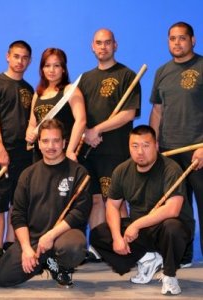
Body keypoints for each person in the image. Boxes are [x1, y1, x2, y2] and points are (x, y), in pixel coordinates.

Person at [90, 125, 193, 295]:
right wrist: (117, 237)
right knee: (98, 234)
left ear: (156, 146)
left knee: (173, 228)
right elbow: (112, 206)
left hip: (164, 229)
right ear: (129, 147)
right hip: (140, 232)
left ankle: (169, 275)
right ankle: (147, 259)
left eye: (146, 145)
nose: (140, 152)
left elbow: (172, 209)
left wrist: (137, 224)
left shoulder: (170, 168)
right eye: (135, 146)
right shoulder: (122, 170)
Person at [0, 119, 91, 288]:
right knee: (2, 277)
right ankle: (46, 261)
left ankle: (62, 266)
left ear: (64, 142)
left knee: (74, 247)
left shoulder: (78, 172)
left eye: (56, 140)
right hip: (34, 238)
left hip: (63, 236)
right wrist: (26, 248)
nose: (50, 146)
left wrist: (51, 236)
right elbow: (18, 215)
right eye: (45, 141)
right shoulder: (28, 174)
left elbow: (79, 213)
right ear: (38, 143)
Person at [78, 28, 141, 260]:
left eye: (107, 42)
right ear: (92, 46)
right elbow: (79, 115)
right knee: (94, 200)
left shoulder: (127, 75)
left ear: (115, 45)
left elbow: (129, 113)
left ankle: (125, 246)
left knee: (115, 200)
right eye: (98, 43)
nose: (103, 47)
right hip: (89, 153)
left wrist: (98, 129)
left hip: (115, 151)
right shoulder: (85, 79)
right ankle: (96, 247)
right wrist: (85, 132)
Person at [149, 21, 203, 266]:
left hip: (197, 149)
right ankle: (183, 255)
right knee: (178, 208)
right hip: (169, 151)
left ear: (193, 40)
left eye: (182, 38)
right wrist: (151, 145)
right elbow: (157, 111)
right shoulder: (162, 72)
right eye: (172, 38)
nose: (177, 43)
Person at [0, 40, 34, 273]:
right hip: (0, 154)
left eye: (24, 58)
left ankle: (13, 248)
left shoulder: (29, 89)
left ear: (29, 61)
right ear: (7, 57)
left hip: (24, 154)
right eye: (16, 56)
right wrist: (0, 149)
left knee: (18, 204)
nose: (20, 61)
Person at [26, 47, 86, 162]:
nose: (51, 70)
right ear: (42, 69)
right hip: (41, 155)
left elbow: (81, 121)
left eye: (56, 65)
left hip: (63, 153)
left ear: (63, 69)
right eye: (47, 65)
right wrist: (29, 133)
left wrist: (70, 150)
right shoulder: (38, 94)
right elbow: (32, 124)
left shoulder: (70, 90)